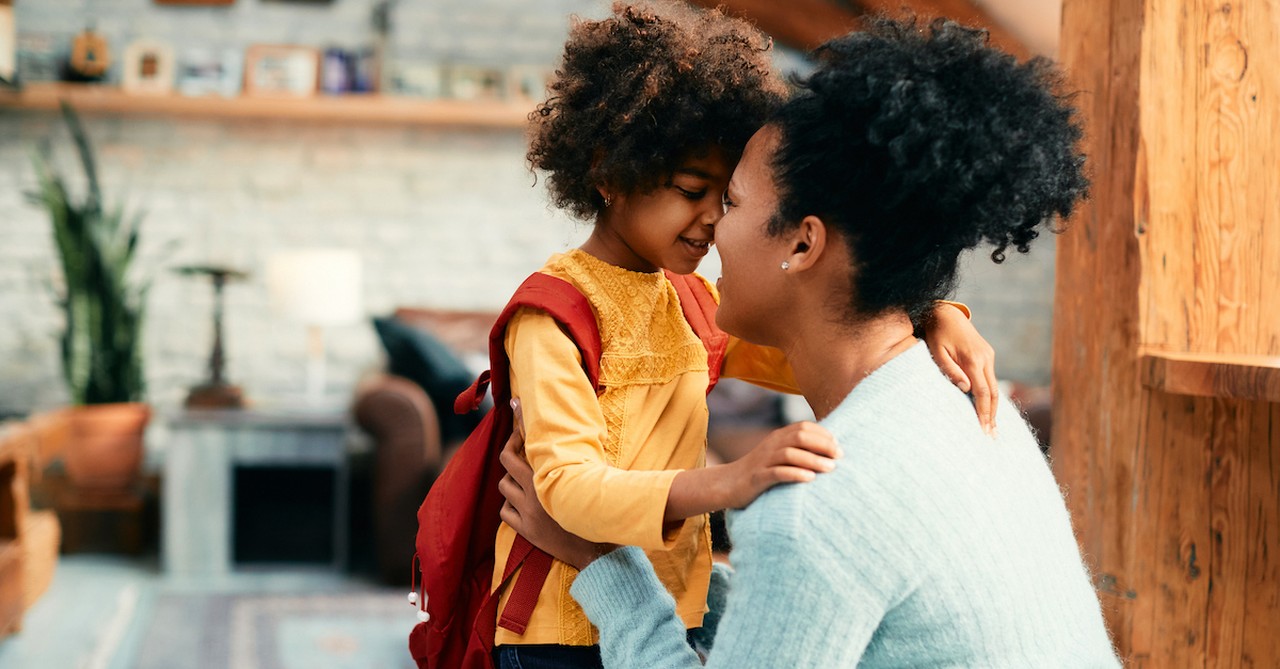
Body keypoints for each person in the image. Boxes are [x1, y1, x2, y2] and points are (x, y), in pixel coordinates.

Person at [498, 15, 1121, 668]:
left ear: (804, 242)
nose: (713, 228)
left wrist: (605, 565)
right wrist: (925, 311)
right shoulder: (976, 408)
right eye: (697, 193)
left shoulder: (810, 509)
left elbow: (823, 549)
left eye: (731, 201)